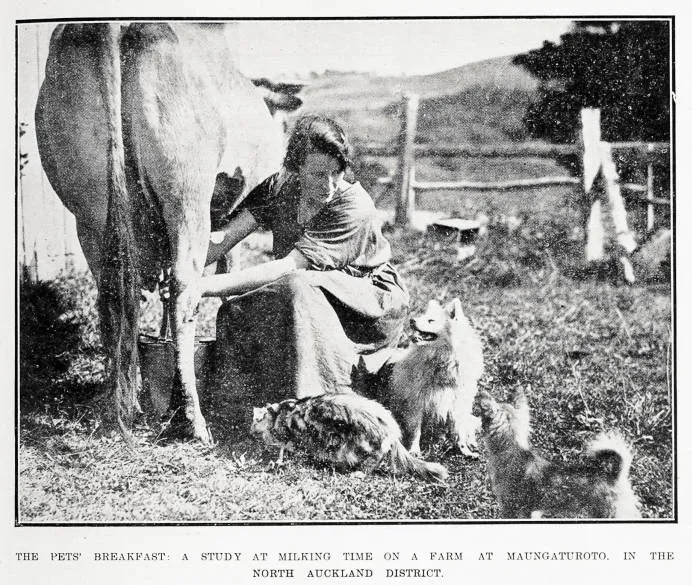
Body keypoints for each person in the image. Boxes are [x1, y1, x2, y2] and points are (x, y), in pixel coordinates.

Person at [201, 115, 409, 399]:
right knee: (237, 309)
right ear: (297, 168)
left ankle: (311, 405)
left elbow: (291, 268)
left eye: (335, 173)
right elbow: (224, 239)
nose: (328, 185)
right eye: (317, 175)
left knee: (295, 286)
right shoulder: (279, 188)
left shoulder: (354, 206)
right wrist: (182, 267)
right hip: (313, 295)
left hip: (366, 309)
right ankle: (240, 409)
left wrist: (203, 287)